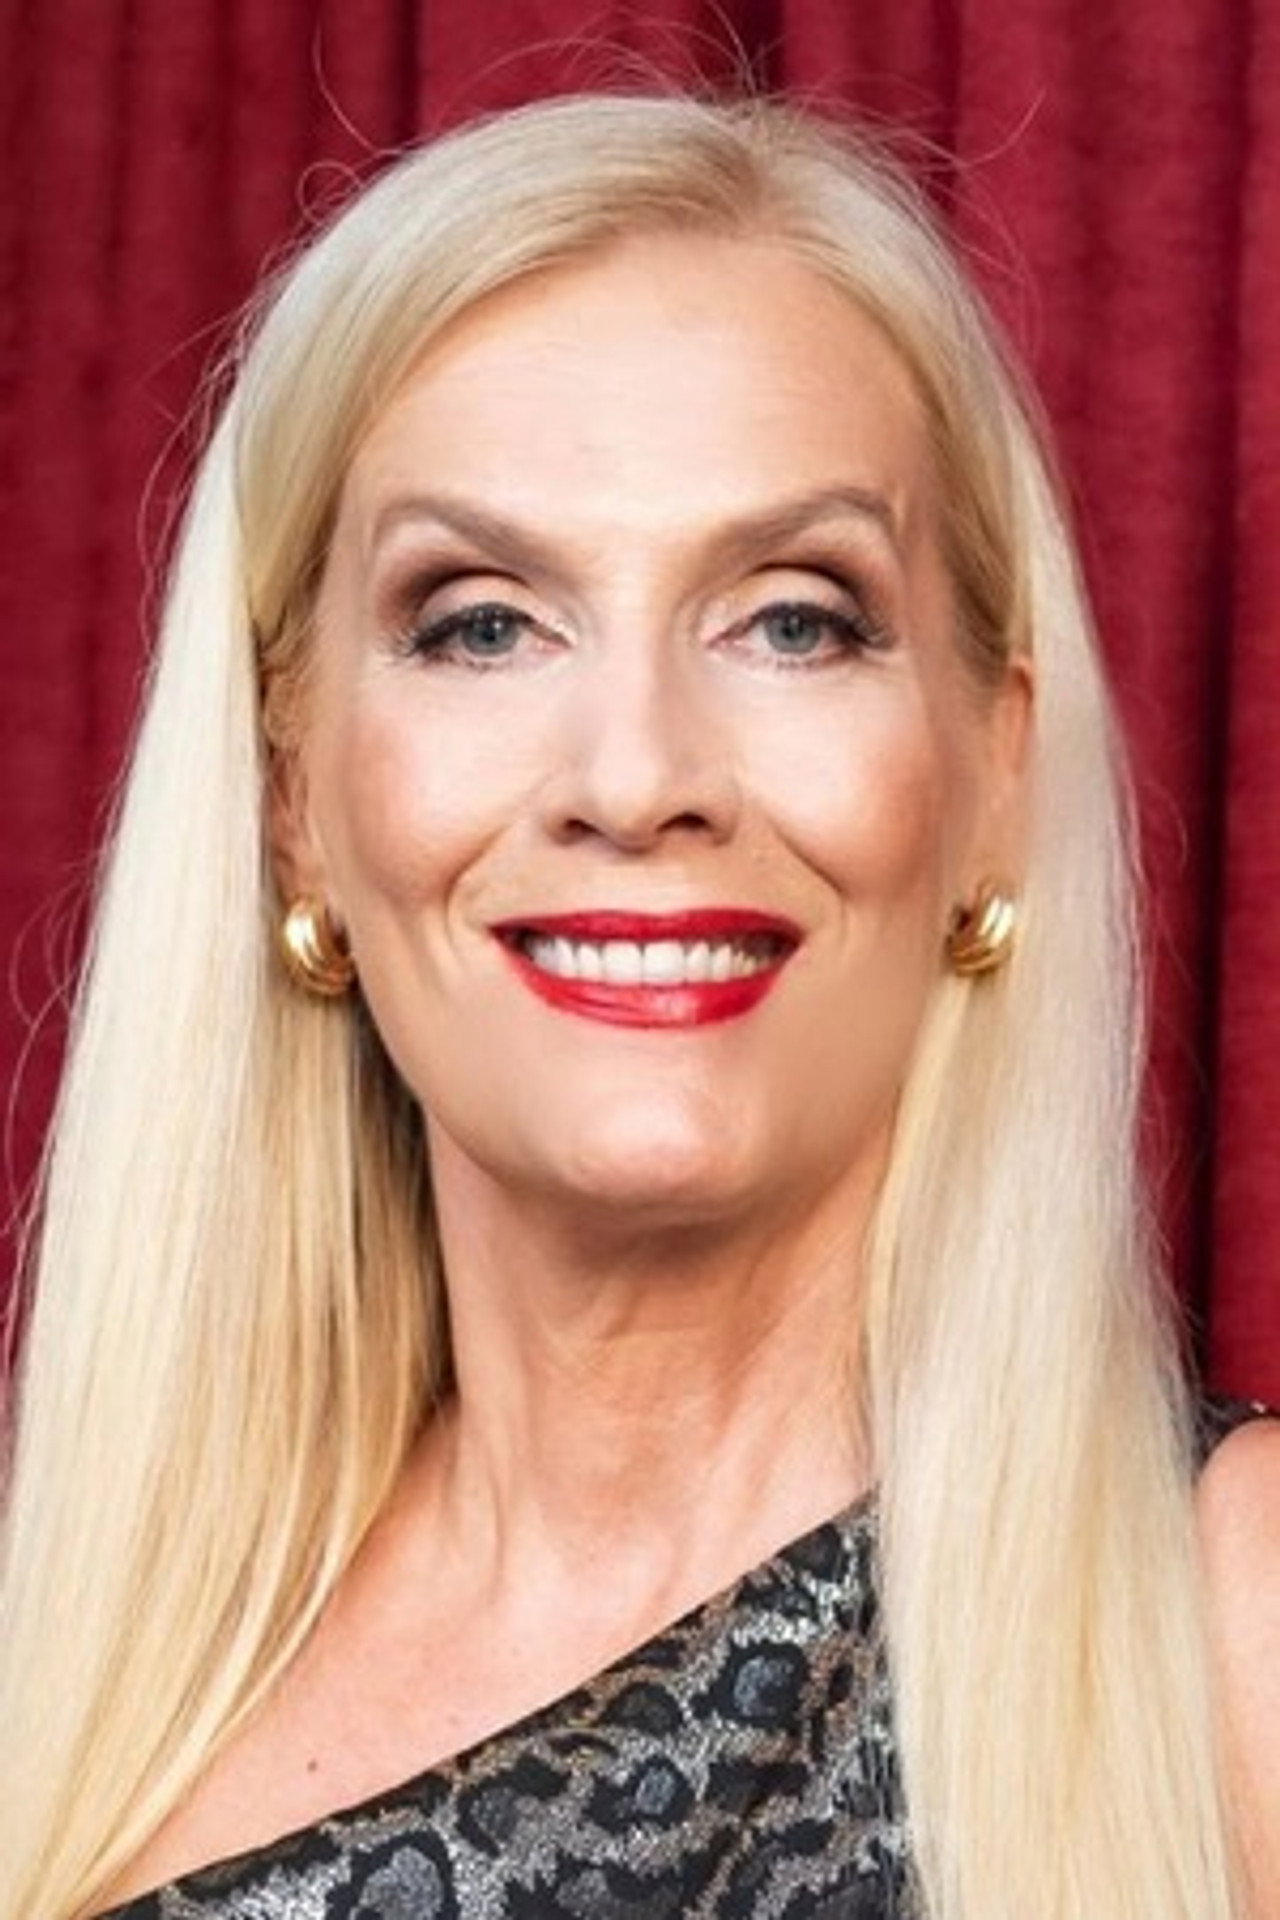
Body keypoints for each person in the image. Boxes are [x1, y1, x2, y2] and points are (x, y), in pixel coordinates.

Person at [0, 90, 1276, 1920]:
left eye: (792, 618)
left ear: (994, 774)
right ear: (292, 799)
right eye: (483, 622)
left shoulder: (1232, 1621)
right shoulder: (67, 1684)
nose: (637, 775)